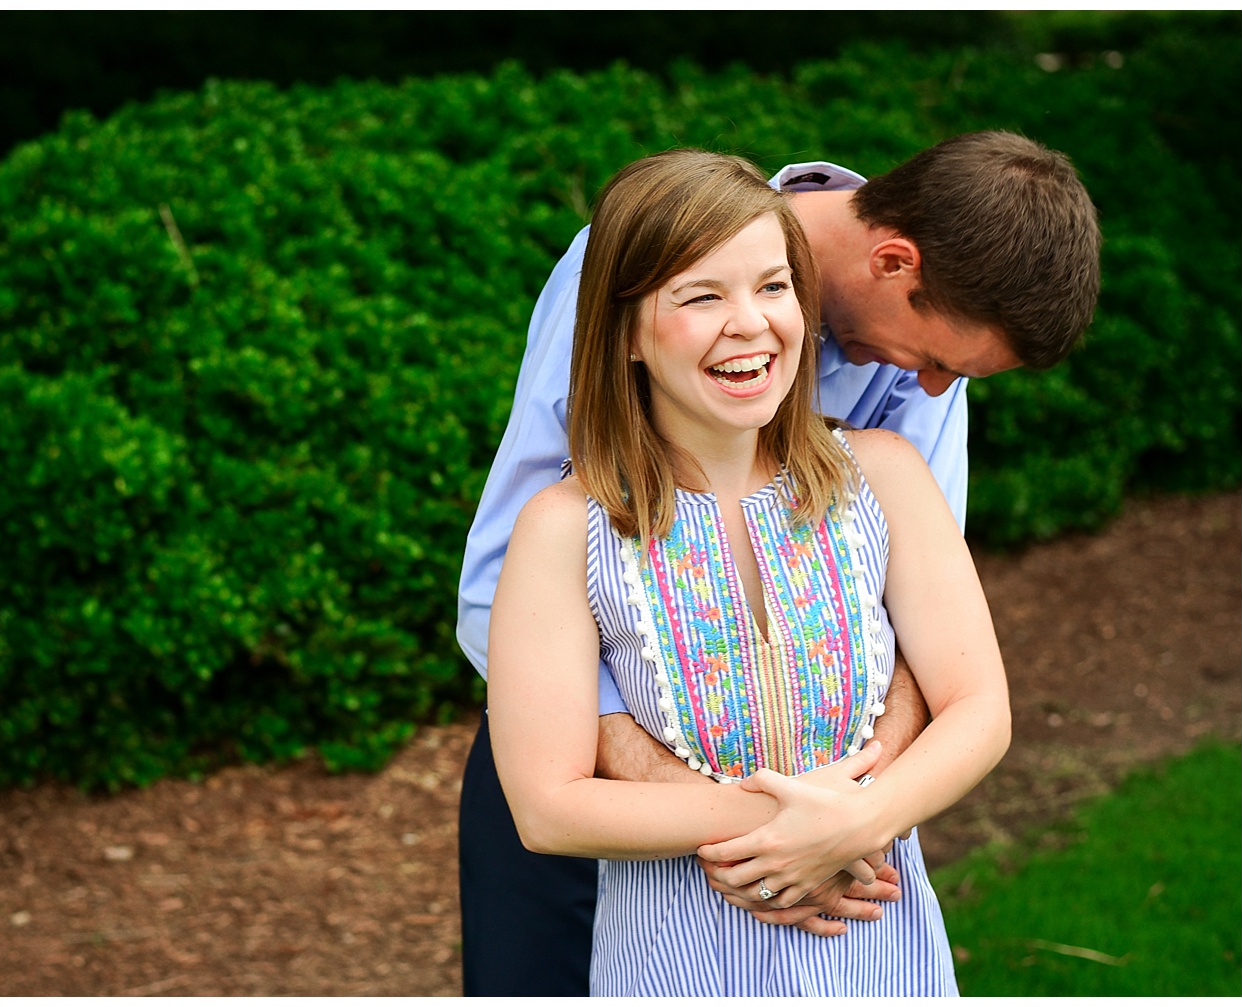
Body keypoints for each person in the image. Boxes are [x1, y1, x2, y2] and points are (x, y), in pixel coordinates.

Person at [457, 132, 1099, 996]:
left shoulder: (884, 460)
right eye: (939, 360)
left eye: (773, 288)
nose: (936, 389)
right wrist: (753, 820)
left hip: (852, 859)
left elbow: (925, 633)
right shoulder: (641, 248)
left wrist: (851, 815)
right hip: (606, 767)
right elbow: (513, 598)